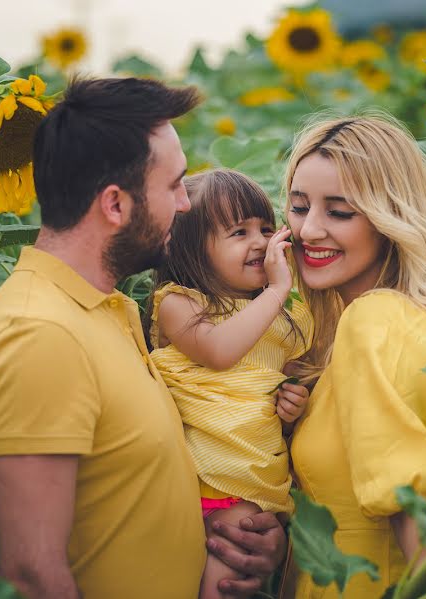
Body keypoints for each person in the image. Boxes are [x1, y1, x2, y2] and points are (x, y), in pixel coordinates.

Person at [0, 77, 286, 599]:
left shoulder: (108, 309)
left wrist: (244, 539)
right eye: (175, 185)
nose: (185, 204)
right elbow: (31, 576)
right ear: (115, 204)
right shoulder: (40, 336)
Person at [281, 115, 426, 598]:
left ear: (390, 217)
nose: (308, 230)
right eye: (298, 205)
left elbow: (408, 503)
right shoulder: (398, 322)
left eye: (340, 212)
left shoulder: (374, 320)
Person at [147, 169, 313, 599]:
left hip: (249, 484)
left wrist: (292, 403)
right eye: (239, 232)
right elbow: (220, 352)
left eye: (265, 228)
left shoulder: (282, 318)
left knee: (224, 587)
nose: (259, 242)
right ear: (191, 251)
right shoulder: (180, 304)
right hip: (193, 482)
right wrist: (278, 291)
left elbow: (280, 380)